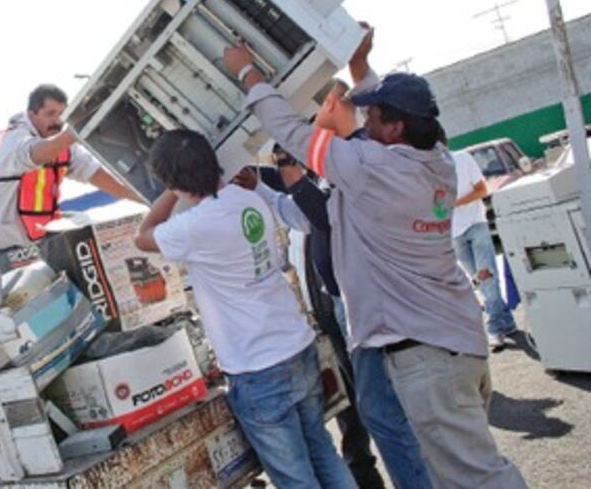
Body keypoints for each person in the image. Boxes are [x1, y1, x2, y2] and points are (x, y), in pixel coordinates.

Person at [224, 40, 528, 489]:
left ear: (396, 128)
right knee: (457, 470)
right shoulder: (436, 162)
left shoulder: (373, 169)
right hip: (456, 340)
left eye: (375, 116)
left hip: (426, 357)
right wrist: (361, 67)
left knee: (478, 478)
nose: (365, 121)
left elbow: (293, 134)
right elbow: (326, 203)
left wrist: (247, 71)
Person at [134, 129, 356, 489]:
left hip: (257, 366)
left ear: (171, 179)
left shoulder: (192, 226)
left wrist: (170, 190)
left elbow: (142, 235)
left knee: (297, 478)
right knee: (323, 453)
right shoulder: (249, 198)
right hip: (295, 346)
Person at [0, 83, 139, 265]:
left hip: (37, 242)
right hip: (0, 248)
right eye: (50, 114)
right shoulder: (13, 140)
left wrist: (146, 198)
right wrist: (74, 133)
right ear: (32, 114)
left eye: (61, 114)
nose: (57, 121)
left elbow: (98, 176)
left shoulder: (63, 145)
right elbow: (36, 154)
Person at [450, 148, 517, 349]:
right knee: (479, 280)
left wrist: (455, 203)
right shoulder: (426, 170)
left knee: (486, 277)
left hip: (475, 224)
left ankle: (494, 328)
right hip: (453, 233)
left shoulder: (462, 159)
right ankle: (506, 321)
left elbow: (482, 189)